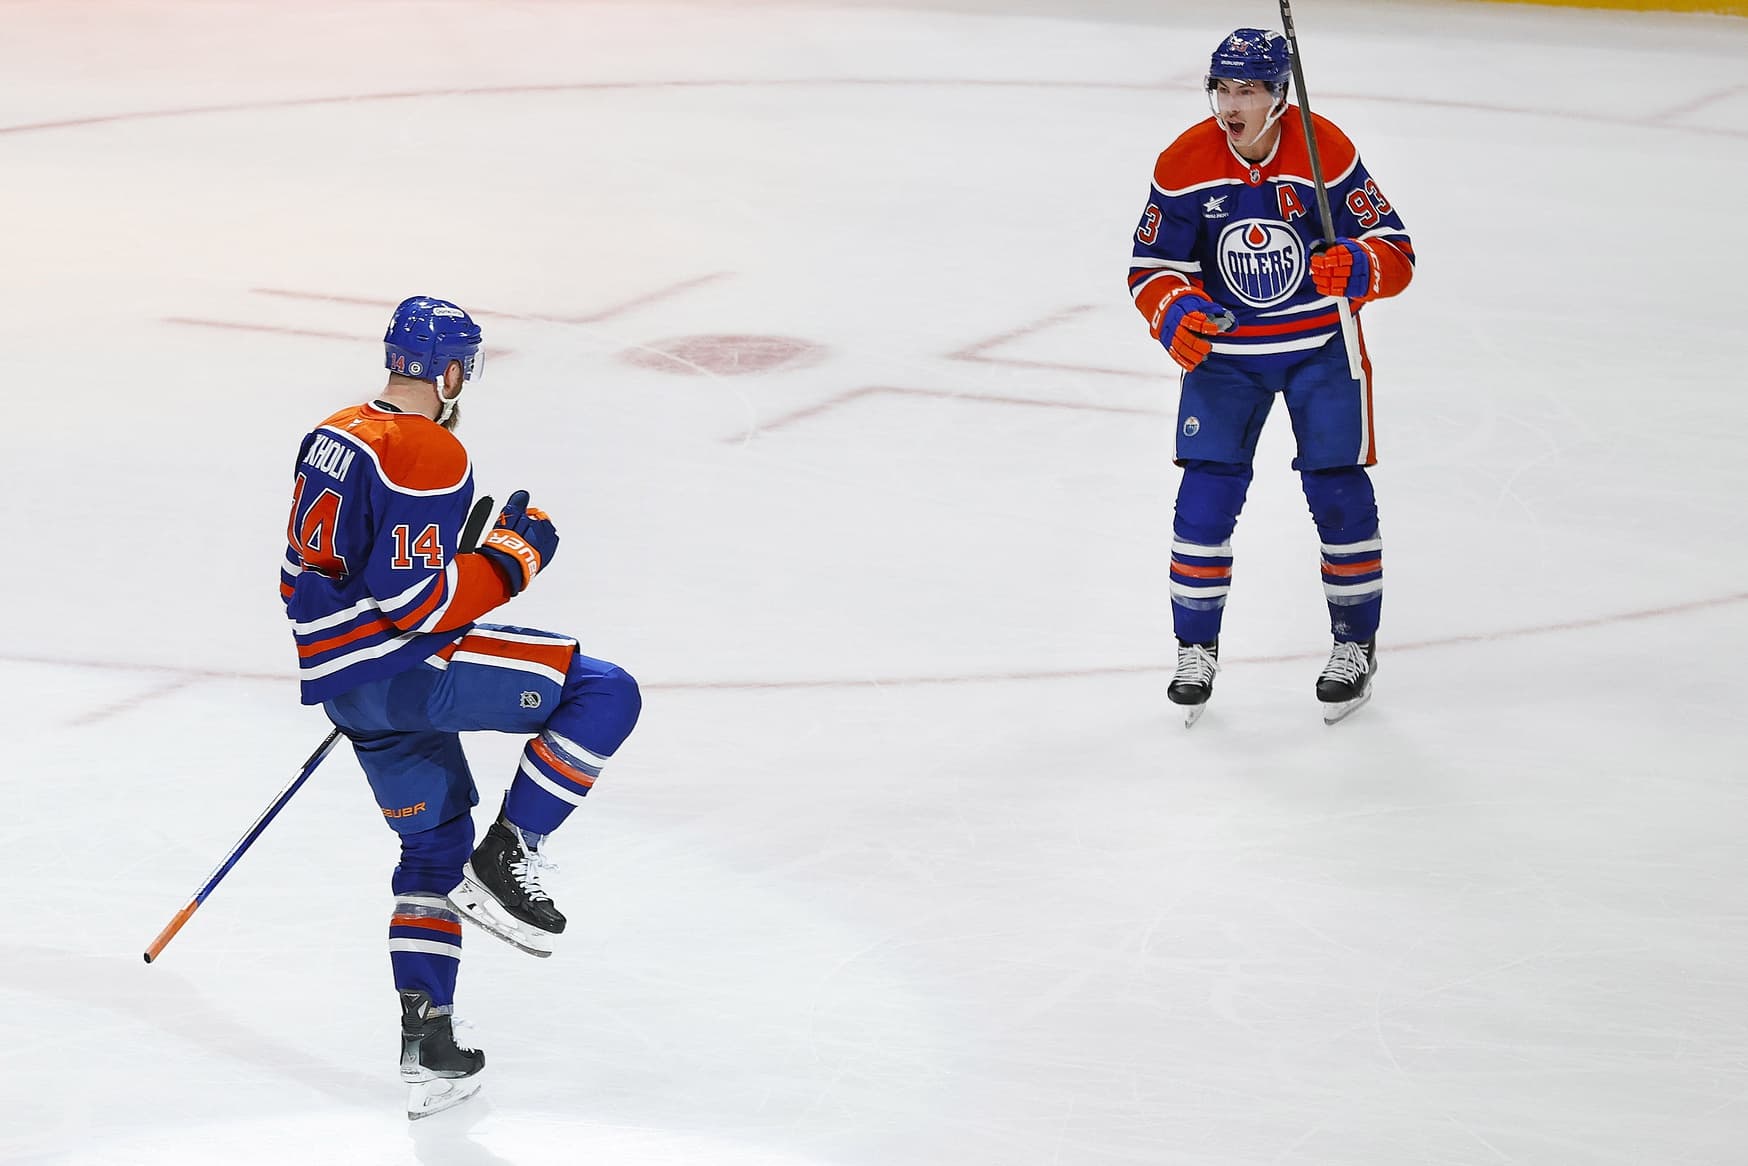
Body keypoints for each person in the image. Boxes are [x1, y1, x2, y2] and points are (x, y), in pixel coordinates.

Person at [280, 296, 642, 1117]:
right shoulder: (431, 450)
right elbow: (414, 604)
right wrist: (514, 559)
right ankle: (510, 853)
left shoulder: (334, 433)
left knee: (432, 843)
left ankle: (430, 1046)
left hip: (349, 685)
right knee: (602, 691)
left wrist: (343, 667)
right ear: (450, 370)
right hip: (406, 668)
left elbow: (316, 573)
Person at [1126, 28, 1415, 725]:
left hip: (1320, 348)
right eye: (1222, 88)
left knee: (1339, 494)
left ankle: (1355, 644)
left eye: (1247, 90)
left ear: (1278, 95)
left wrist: (1357, 265)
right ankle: (1194, 650)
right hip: (1228, 363)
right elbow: (1150, 267)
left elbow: (1395, 249)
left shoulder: (1326, 150)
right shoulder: (1185, 162)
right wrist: (1176, 313)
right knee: (1204, 499)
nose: (1232, 103)